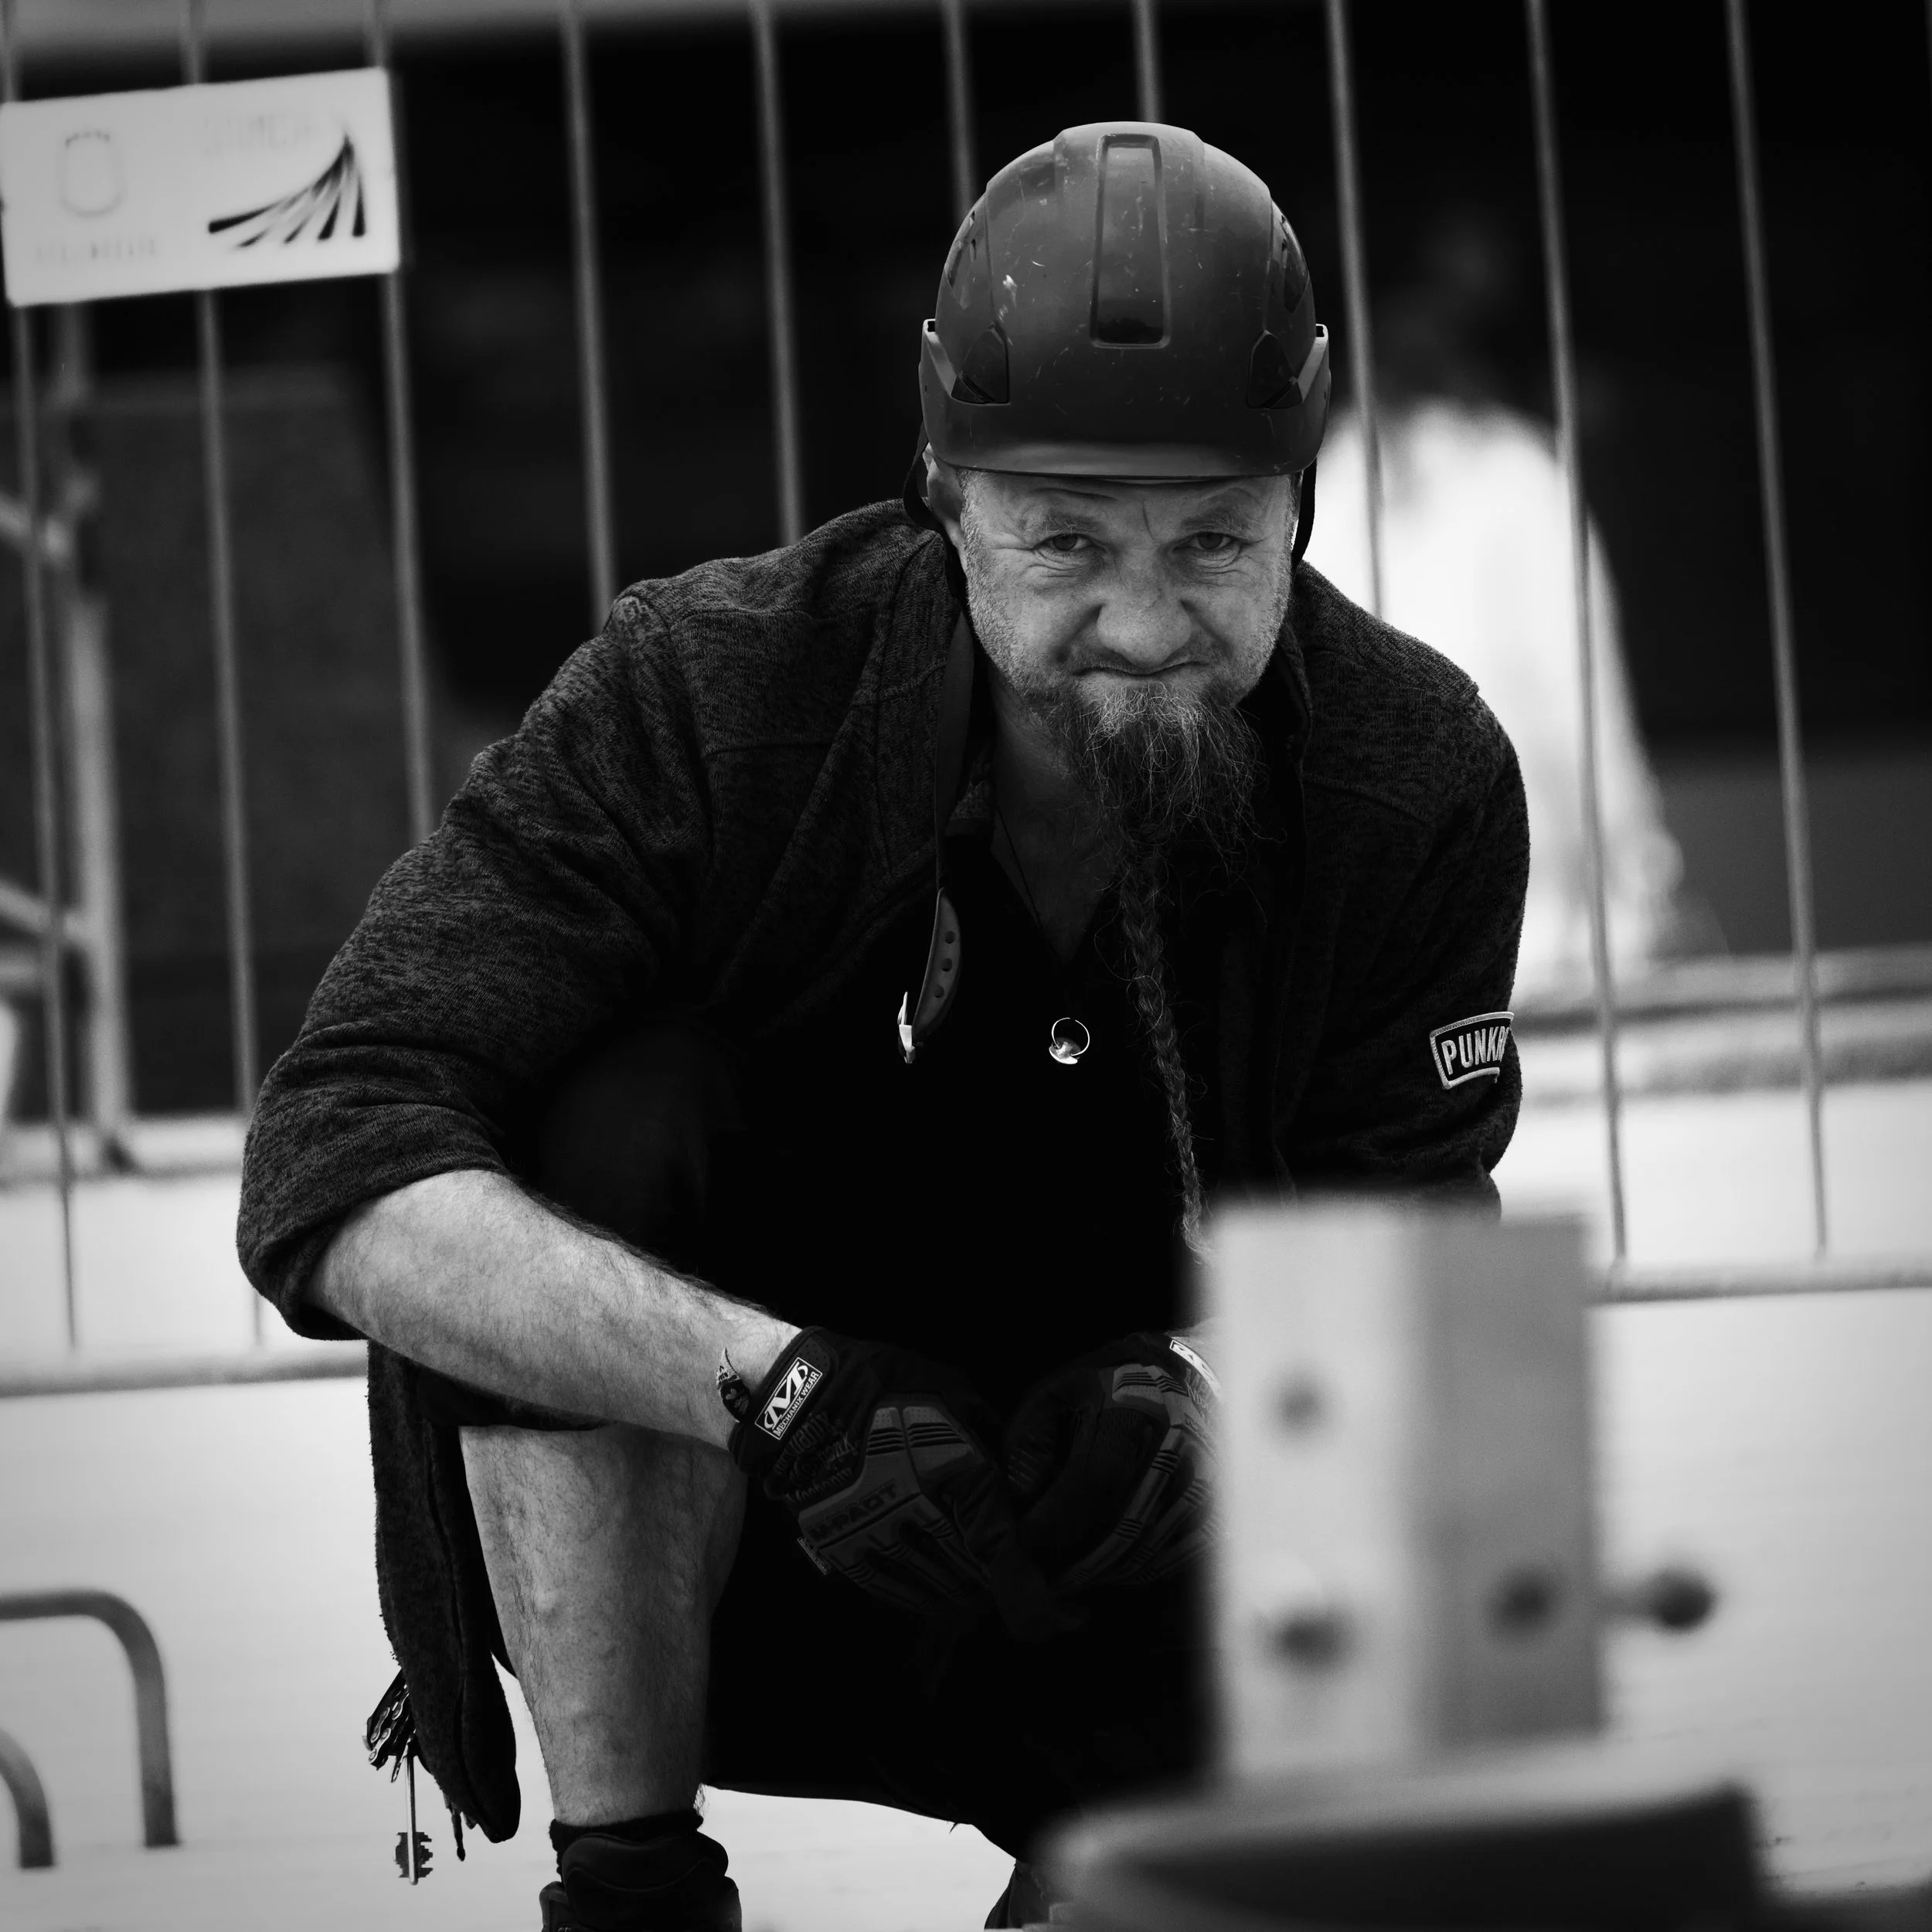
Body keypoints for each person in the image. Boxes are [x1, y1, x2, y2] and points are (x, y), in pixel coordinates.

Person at [237, 123, 1529, 1932]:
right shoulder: (700, 694)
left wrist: (1228, 1397)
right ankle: (629, 1888)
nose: (1143, 623)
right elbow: (336, 1154)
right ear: (942, 490)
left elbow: (1424, 1257)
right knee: (603, 1121)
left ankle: (1134, 1872)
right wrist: (776, 1391)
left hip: (1148, 1591)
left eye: (1213, 540)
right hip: (745, 1567)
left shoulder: (1422, 776)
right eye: (1065, 538)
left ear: (1301, 495)